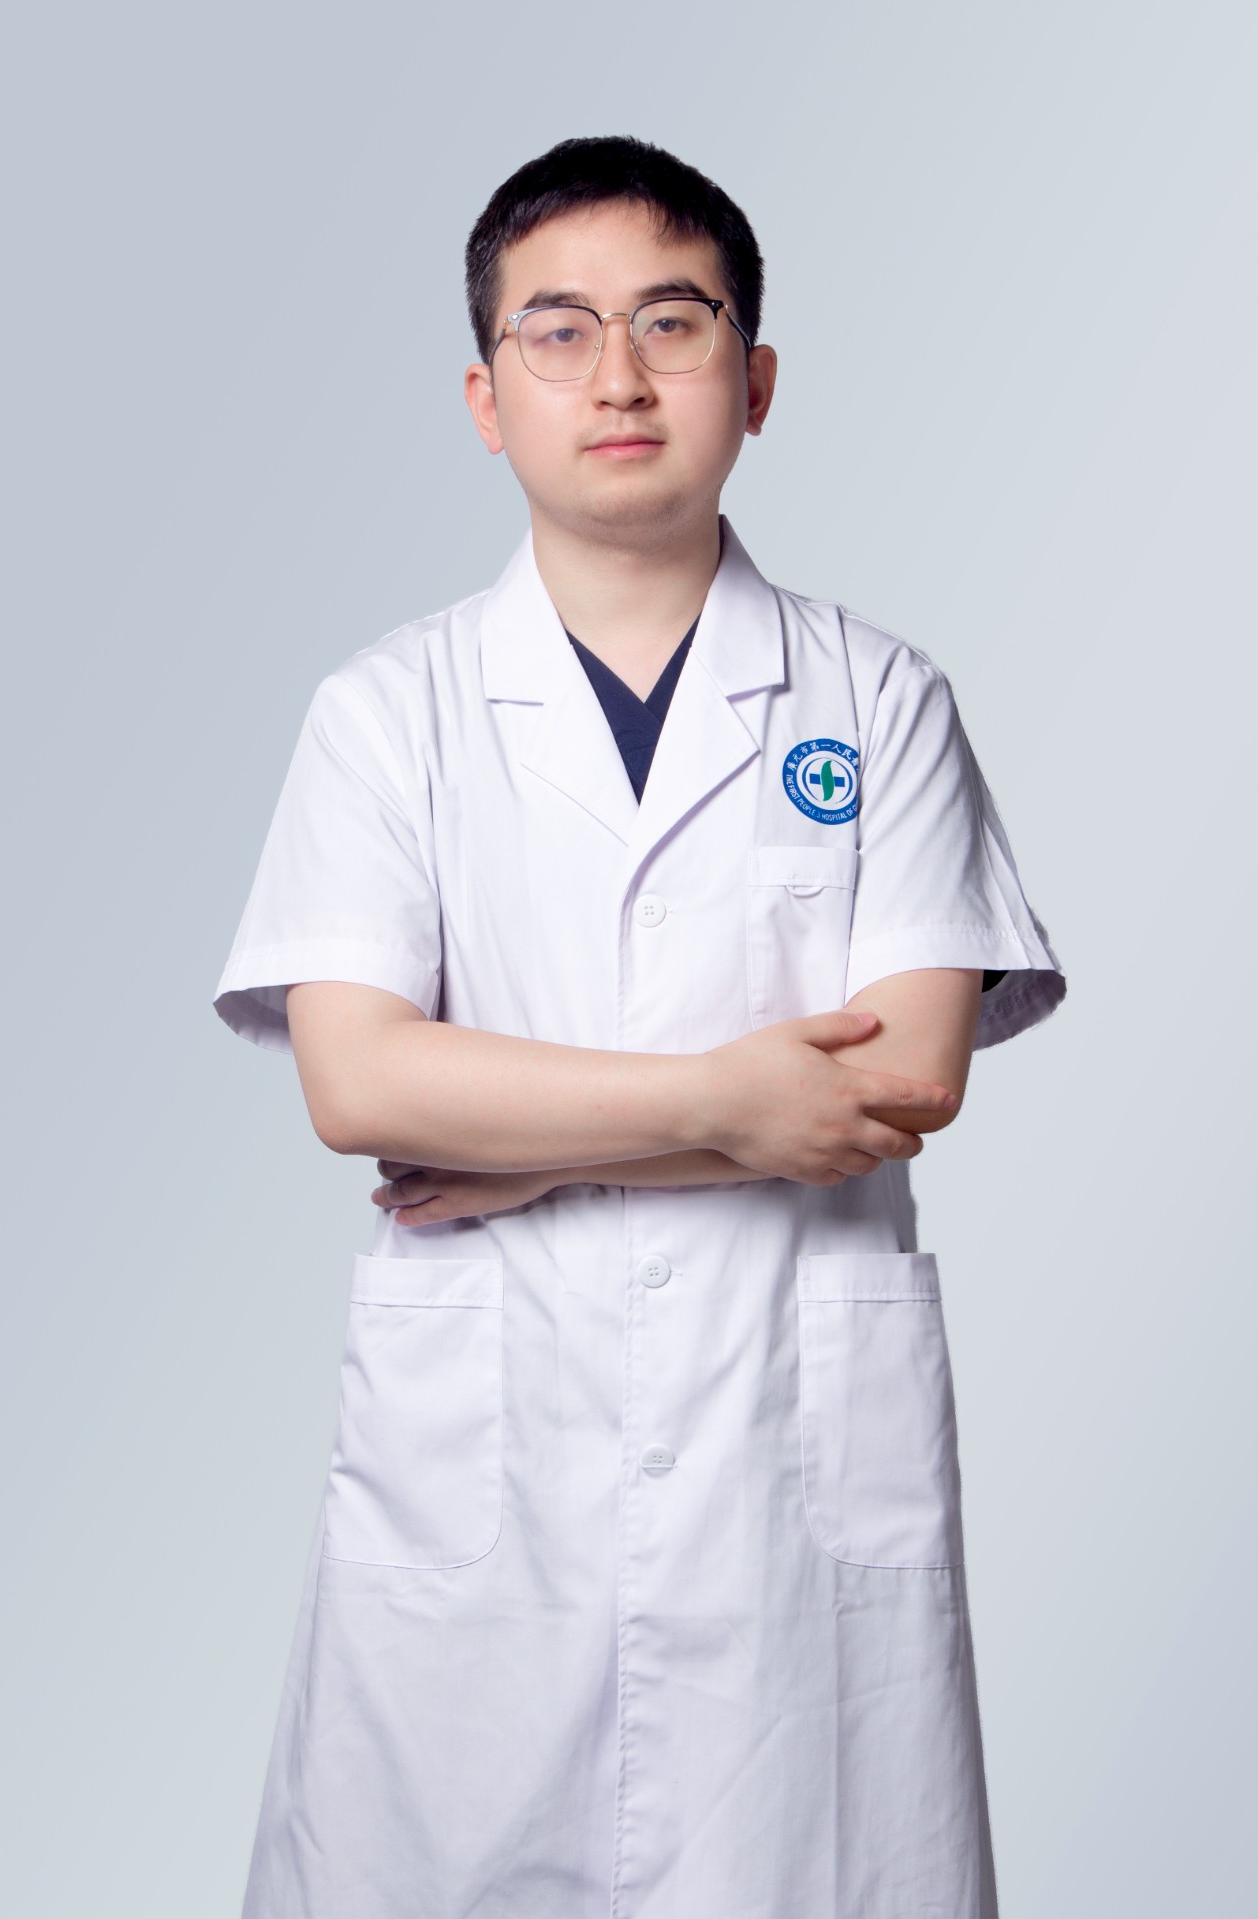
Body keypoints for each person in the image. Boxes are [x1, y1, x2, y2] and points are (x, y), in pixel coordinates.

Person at [213, 134, 1065, 1919]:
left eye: (674, 323)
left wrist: (531, 1159)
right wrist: (729, 1104)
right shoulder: (388, 713)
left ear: (756, 381)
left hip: (784, 1491)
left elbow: (903, 1078)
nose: (618, 376)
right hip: (482, 1495)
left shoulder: (880, 699)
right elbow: (358, 1081)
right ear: (484, 397)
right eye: (559, 330)